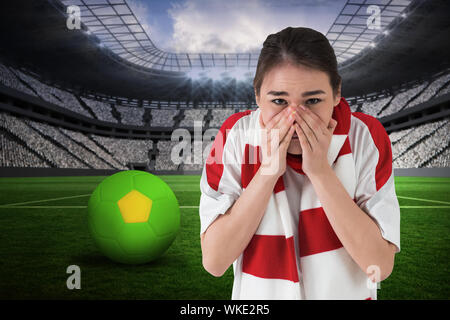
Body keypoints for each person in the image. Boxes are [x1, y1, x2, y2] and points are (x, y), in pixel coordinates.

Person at [198, 27, 400, 300]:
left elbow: (379, 266)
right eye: (279, 101)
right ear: (257, 96)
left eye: (313, 100)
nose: (294, 119)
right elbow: (215, 261)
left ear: (337, 92)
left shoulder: (367, 137)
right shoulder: (234, 136)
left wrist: (320, 172)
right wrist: (267, 173)